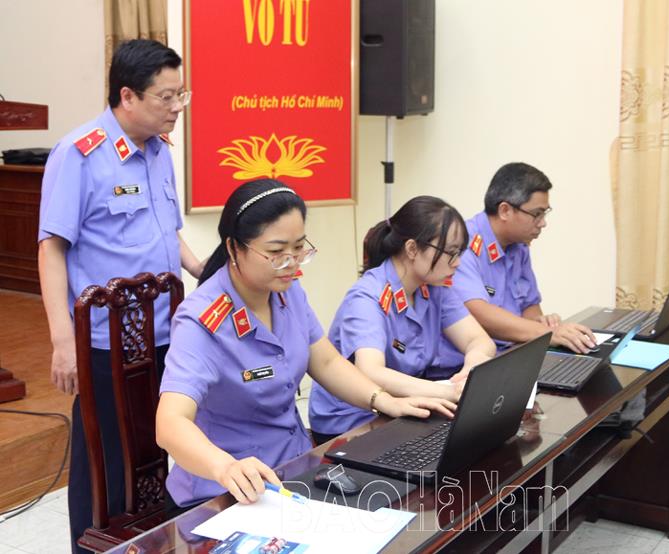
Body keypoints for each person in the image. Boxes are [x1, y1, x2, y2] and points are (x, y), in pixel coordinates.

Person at [155, 181, 456, 508]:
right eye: (275, 252)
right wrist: (225, 467)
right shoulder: (201, 320)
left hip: (293, 469)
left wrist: (383, 400)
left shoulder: (287, 292)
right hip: (225, 492)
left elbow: (326, 362)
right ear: (233, 248)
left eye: (298, 248)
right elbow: (171, 422)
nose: (291, 263)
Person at [37, 39, 203, 553]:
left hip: (164, 329)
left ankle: (153, 541)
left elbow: (168, 232)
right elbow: (51, 249)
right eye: (166, 97)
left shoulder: (158, 151)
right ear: (127, 96)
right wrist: (63, 342)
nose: (177, 107)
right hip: (106, 340)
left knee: (155, 451)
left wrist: (205, 270)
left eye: (181, 94)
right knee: (106, 460)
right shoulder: (79, 155)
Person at [308, 196, 497, 444]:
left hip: (401, 406)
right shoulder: (367, 297)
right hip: (352, 419)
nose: (457, 263)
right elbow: (371, 371)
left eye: (459, 253)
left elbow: (479, 341)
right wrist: (447, 392)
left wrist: (469, 371)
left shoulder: (434, 288)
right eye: (451, 253)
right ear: (412, 249)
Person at [438, 162, 597, 368]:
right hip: (465, 366)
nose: (543, 223)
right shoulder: (463, 243)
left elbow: (530, 307)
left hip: (511, 355)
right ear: (505, 210)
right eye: (537, 214)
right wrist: (549, 333)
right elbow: (478, 313)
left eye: (545, 213)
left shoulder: (519, 245)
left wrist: (544, 323)